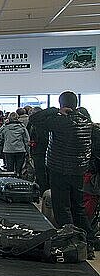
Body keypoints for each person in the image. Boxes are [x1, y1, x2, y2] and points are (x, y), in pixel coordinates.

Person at [29, 91, 97, 260]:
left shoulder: (59, 121)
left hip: (59, 169)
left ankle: (72, 242)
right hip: (78, 171)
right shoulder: (86, 122)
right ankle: (88, 242)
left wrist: (54, 110)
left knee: (62, 208)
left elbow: (34, 119)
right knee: (78, 207)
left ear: (62, 104)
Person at [28, 107, 49, 193]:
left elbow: (39, 139)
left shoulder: (37, 125)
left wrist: (32, 144)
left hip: (39, 151)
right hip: (42, 151)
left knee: (40, 172)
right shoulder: (46, 124)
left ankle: (42, 190)